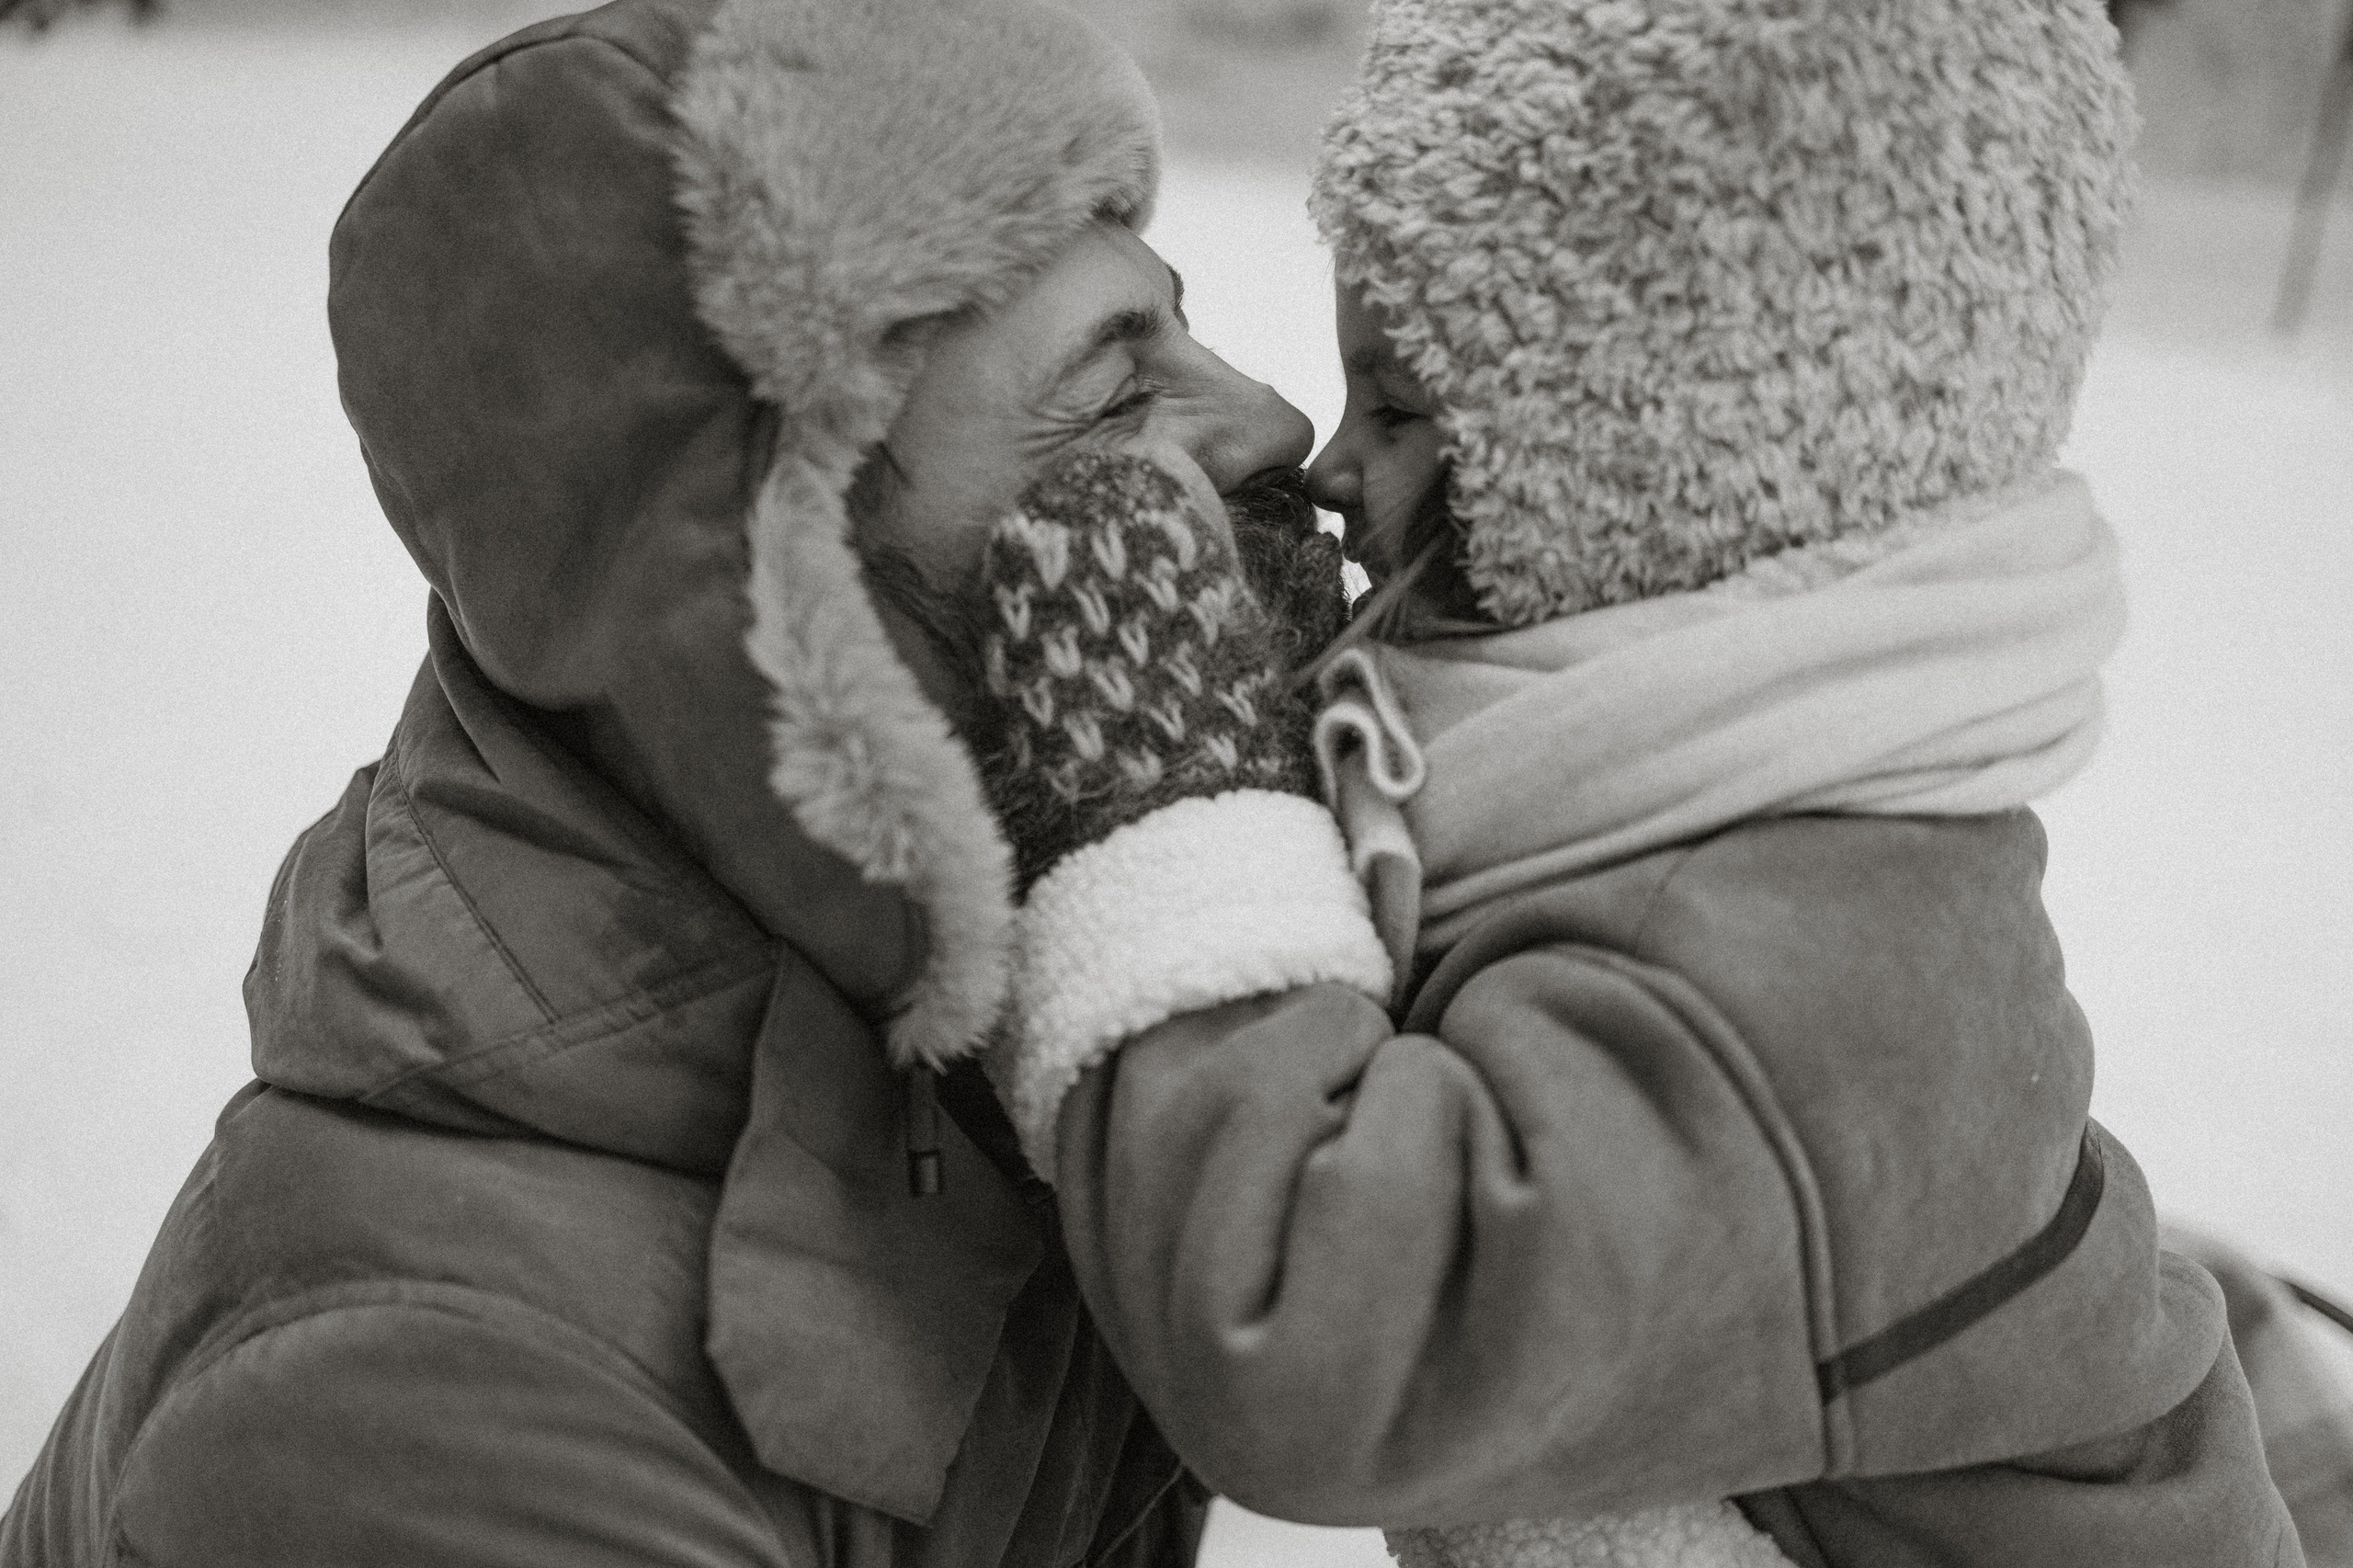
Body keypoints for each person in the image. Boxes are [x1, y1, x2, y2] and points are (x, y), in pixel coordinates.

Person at [963, 1, 2308, 1565]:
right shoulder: (1690, 793)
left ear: (1641, 459)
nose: (1321, 460)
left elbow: (1321, 1337)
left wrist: (1172, 814)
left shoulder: (1798, 950)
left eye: (1400, 406)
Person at [0, 0, 1320, 1562]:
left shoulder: (997, 1049)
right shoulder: (431, 1412)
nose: (1273, 420)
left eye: (1182, 322)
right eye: (1111, 393)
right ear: (779, 618)